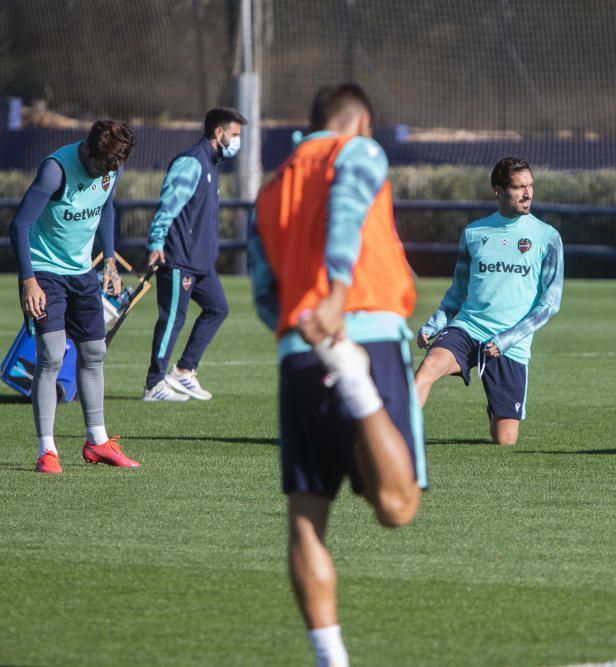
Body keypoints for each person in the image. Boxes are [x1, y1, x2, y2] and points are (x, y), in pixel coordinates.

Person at [249, 83, 426, 667]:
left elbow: (264, 290)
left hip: (297, 351)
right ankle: (354, 380)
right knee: (396, 507)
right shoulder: (359, 151)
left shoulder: (270, 187)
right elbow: (348, 209)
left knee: (305, 518)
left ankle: (331, 659)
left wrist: (304, 328)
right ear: (361, 122)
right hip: (362, 335)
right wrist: (340, 298)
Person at [9, 119, 141, 473]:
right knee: (51, 355)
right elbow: (19, 224)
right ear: (89, 149)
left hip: (83, 273)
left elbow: (106, 207)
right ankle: (46, 451)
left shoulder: (110, 166)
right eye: (105, 165)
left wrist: (110, 260)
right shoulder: (55, 171)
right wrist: (28, 280)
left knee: (94, 352)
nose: (109, 172)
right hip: (45, 273)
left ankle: (97, 442)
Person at [414, 157, 564, 446]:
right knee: (426, 371)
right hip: (467, 328)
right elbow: (457, 293)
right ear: (498, 190)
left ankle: (496, 406)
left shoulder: (547, 237)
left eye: (530, 186)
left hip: (511, 344)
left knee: (504, 440)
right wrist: (433, 325)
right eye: (519, 187)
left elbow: (550, 304)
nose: (528, 194)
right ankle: (399, 439)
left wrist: (507, 339)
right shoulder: (473, 234)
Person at [142, 107, 247, 401]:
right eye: (235, 135)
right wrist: (156, 242)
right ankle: (153, 384)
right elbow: (168, 206)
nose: (238, 141)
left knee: (218, 308)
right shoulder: (191, 162)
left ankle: (185, 371)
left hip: (201, 262)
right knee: (173, 319)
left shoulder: (213, 163)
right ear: (219, 133)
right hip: (179, 259)